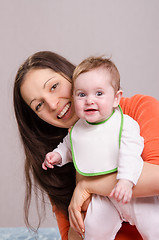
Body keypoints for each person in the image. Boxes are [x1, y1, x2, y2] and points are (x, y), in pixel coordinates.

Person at [13, 51, 159, 240]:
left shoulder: (136, 110)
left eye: (54, 86)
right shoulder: (63, 153)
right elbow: (72, 236)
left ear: (72, 75)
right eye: (38, 105)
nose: (52, 103)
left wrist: (86, 187)